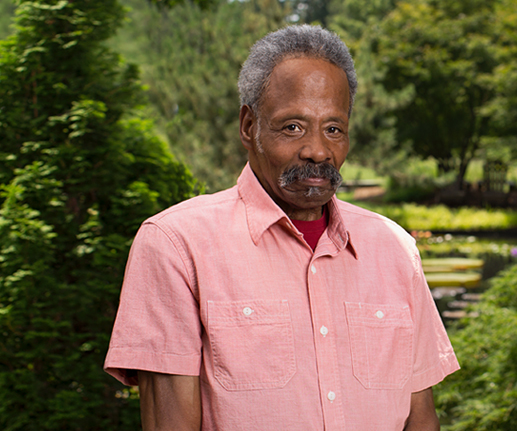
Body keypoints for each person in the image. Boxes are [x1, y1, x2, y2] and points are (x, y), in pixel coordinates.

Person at [104, 25, 459, 430]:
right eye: (292, 127)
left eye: (333, 129)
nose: (318, 150)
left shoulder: (394, 248)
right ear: (248, 126)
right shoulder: (176, 244)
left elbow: (422, 419)